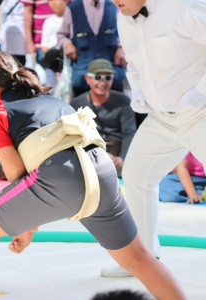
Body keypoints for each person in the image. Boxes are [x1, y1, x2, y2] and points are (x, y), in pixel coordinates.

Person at [0, 50, 186, 300]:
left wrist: (26, 224)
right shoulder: (49, 98)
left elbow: (16, 172)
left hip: (60, 178)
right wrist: (26, 221)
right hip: (103, 172)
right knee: (139, 257)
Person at [102, 0, 206, 277]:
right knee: (136, 176)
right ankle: (144, 257)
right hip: (162, 118)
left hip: (202, 113)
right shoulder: (123, 15)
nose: (115, 1)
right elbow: (134, 62)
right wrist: (138, 91)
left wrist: (201, 93)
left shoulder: (182, 6)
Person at [70, 59, 136, 177]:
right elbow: (75, 136)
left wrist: (122, 158)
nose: (102, 82)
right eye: (97, 77)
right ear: (87, 78)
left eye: (108, 78)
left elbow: (129, 133)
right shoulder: (76, 104)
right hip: (90, 152)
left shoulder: (124, 102)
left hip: (117, 153)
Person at [56, 0, 126, 96]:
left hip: (111, 77)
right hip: (82, 76)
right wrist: (67, 44)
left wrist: (121, 47)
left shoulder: (116, 6)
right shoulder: (72, 8)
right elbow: (61, 35)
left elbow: (127, 34)